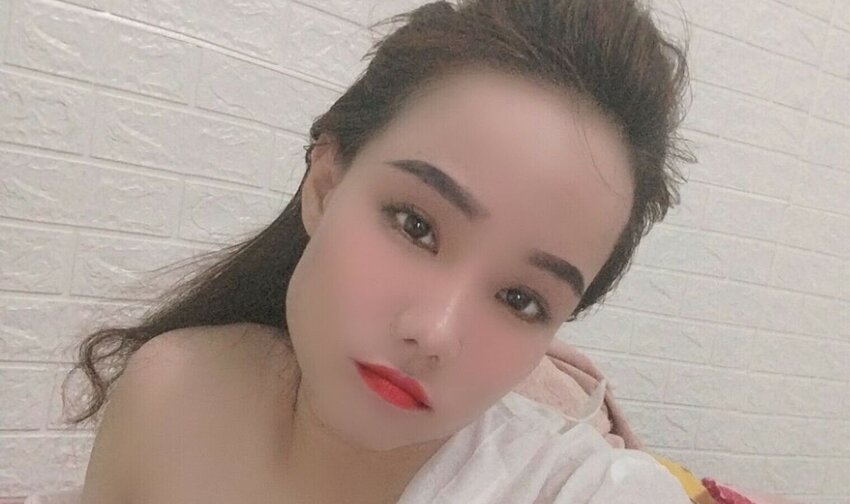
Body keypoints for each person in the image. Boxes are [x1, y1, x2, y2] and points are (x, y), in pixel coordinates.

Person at [68, 0, 695, 502]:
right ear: (325, 184)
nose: (434, 332)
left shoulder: (576, 488)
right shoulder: (170, 390)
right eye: (415, 225)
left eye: (520, 299)